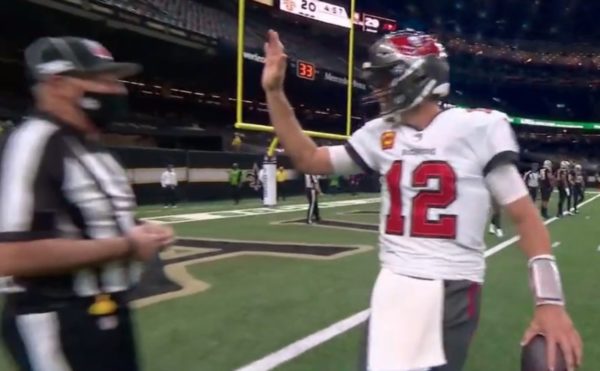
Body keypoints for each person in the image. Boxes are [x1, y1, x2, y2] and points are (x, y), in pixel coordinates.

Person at [261, 29, 582, 371]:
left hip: (449, 287)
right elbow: (310, 159)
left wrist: (550, 301)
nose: (378, 88)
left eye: (385, 77)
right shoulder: (379, 133)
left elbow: (525, 217)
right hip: (393, 282)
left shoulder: (475, 128)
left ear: (414, 76)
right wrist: (274, 91)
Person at [0, 36, 174, 371]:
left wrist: (140, 230)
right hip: (57, 318)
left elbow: (90, 223)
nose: (115, 90)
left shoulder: (90, 146)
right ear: (57, 83)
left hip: (107, 309)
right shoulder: (33, 143)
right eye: (101, 80)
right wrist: (126, 244)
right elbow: (11, 254)